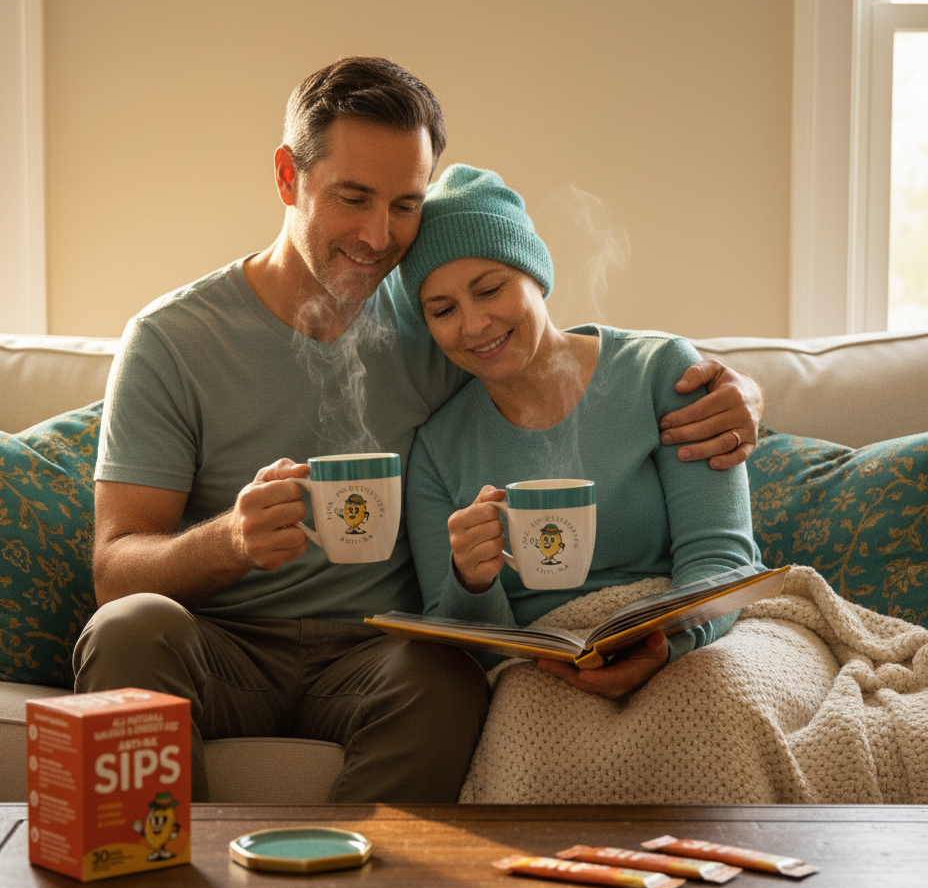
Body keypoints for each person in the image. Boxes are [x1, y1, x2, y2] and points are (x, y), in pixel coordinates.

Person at [72, 57, 764, 803]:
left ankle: (351, 873)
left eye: (405, 204)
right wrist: (231, 542)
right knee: (127, 628)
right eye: (353, 198)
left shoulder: (437, 319)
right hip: (219, 647)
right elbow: (115, 569)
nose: (378, 236)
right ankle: (152, 873)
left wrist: (741, 393)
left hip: (380, 653)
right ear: (287, 177)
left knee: (444, 674)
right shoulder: (173, 340)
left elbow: (553, 356)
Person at [401, 164, 765, 699]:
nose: (473, 324)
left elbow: (722, 557)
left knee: (716, 700)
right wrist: (471, 581)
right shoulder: (437, 449)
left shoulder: (661, 372)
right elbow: (463, 645)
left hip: (688, 640)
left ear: (535, 275)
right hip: (538, 668)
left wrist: (667, 646)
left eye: (491, 289)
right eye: (443, 310)